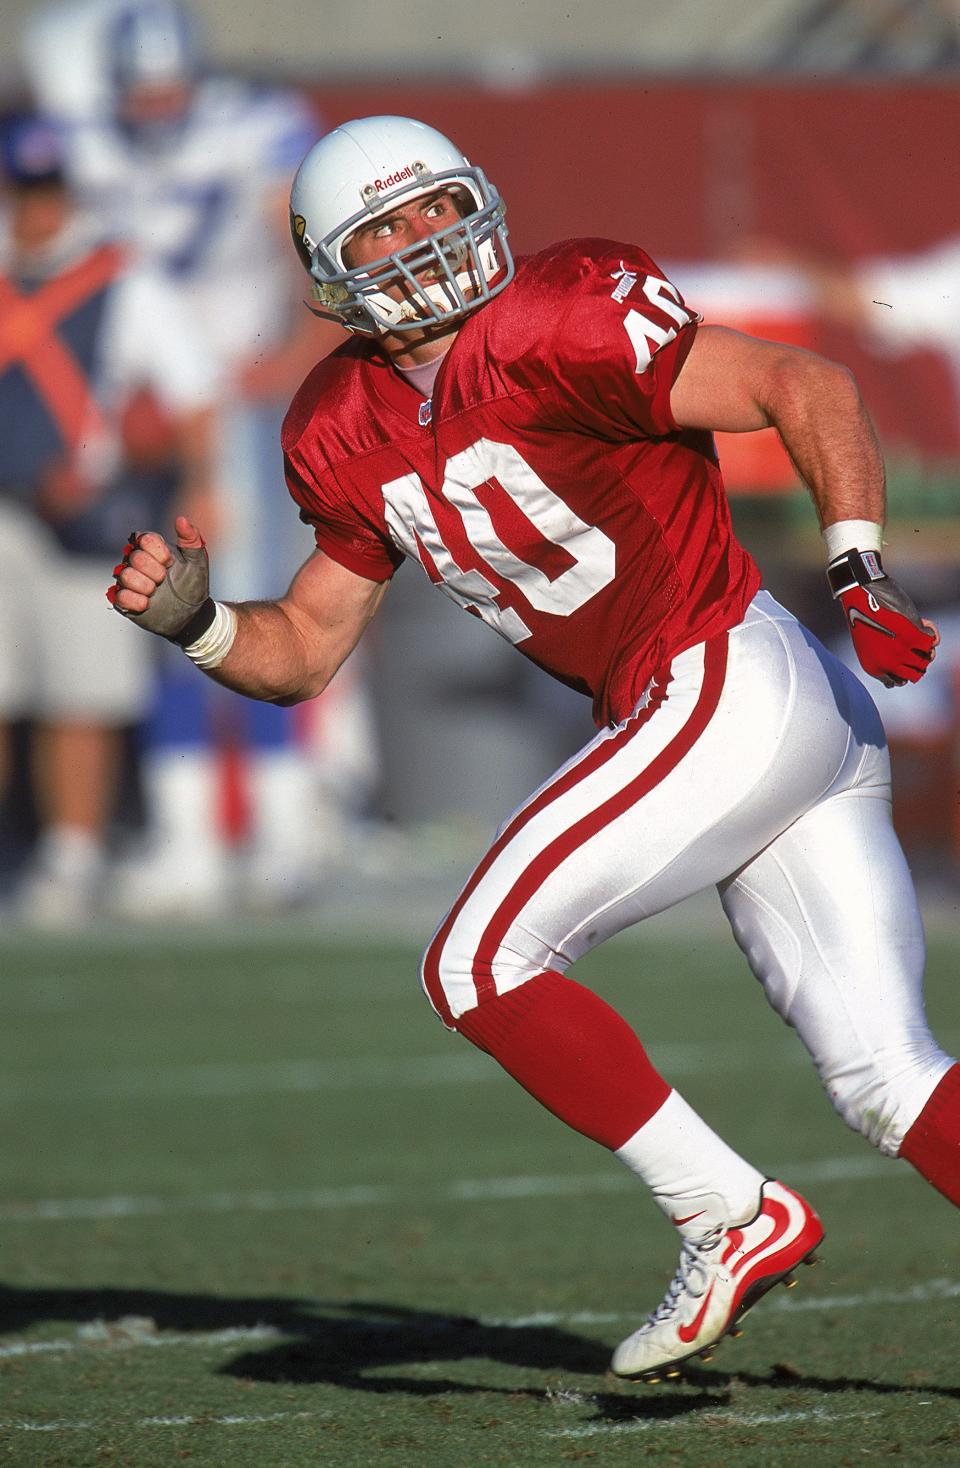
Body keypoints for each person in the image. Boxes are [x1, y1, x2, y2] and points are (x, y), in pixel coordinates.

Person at [109, 115, 958, 1382]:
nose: (424, 240)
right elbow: (302, 648)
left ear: (480, 204)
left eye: (436, 207)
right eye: (385, 228)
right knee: (890, 1076)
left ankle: (728, 1211)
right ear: (331, 269)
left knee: (476, 964)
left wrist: (858, 564)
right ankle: (735, 1212)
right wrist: (196, 621)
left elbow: (804, 383)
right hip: (754, 715)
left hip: (722, 671)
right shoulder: (339, 423)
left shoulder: (564, 315)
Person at [23, 0, 361, 913]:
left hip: (233, 403)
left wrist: (290, 352)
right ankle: (190, 835)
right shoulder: (87, 133)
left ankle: (282, 831)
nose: (161, 109)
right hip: (130, 408)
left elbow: (302, 240)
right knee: (158, 611)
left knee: (242, 605)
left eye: (174, 90)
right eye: (146, 93)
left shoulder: (253, 124)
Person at [0, 109, 219, 925]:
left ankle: (72, 855)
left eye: (50, 191)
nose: (38, 209)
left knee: (78, 695)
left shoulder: (119, 277)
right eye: (25, 191)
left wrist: (198, 485)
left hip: (78, 512)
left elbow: (189, 394)